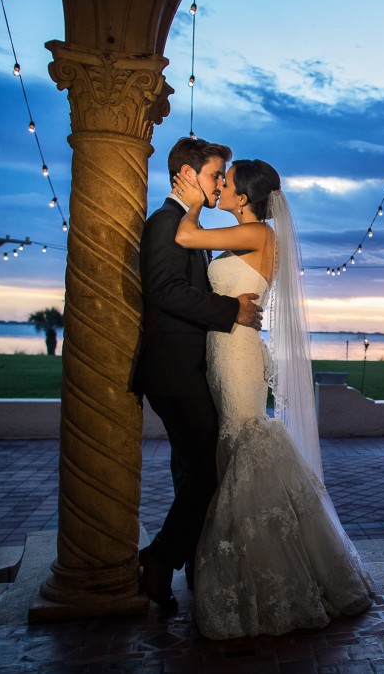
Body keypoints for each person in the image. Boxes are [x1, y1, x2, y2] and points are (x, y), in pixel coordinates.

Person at [172, 158, 374, 639]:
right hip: (228, 349)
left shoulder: (258, 234)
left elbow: (184, 237)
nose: (220, 185)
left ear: (244, 198)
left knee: (246, 439)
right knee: (239, 440)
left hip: (237, 353)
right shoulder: (252, 234)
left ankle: (267, 577)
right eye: (217, 180)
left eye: (227, 181)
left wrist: (193, 200)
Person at [132, 137, 262, 612]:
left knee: (190, 471)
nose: (220, 184)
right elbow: (165, 291)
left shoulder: (187, 226)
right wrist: (233, 310)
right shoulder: (164, 223)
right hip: (173, 370)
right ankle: (160, 559)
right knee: (208, 468)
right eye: (214, 175)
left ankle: (180, 565)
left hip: (193, 369)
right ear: (186, 174)